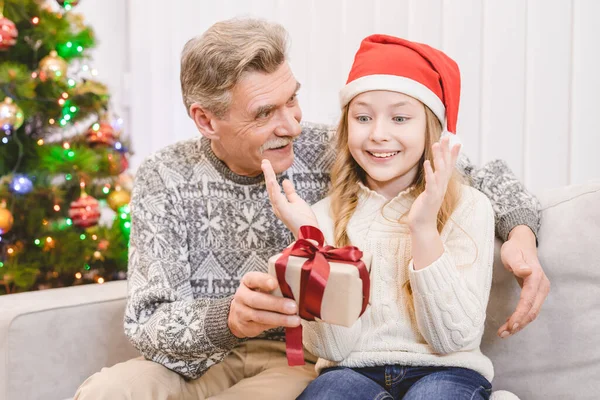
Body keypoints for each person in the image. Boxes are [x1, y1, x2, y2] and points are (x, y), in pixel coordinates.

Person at [74, 18, 548, 400]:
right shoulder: (164, 176)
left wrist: (521, 232)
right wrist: (229, 319)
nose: (293, 125)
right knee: (107, 393)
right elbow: (145, 322)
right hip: (191, 361)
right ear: (206, 119)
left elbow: (457, 171)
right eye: (265, 113)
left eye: (294, 98)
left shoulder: (331, 147)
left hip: (294, 360)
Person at [262, 33, 501, 400]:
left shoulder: (469, 208)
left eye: (400, 117)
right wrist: (313, 242)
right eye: (363, 117)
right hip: (351, 371)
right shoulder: (326, 215)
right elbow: (334, 349)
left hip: (447, 372)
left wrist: (423, 228)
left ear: (430, 130)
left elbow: (453, 338)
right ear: (346, 128)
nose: (378, 134)